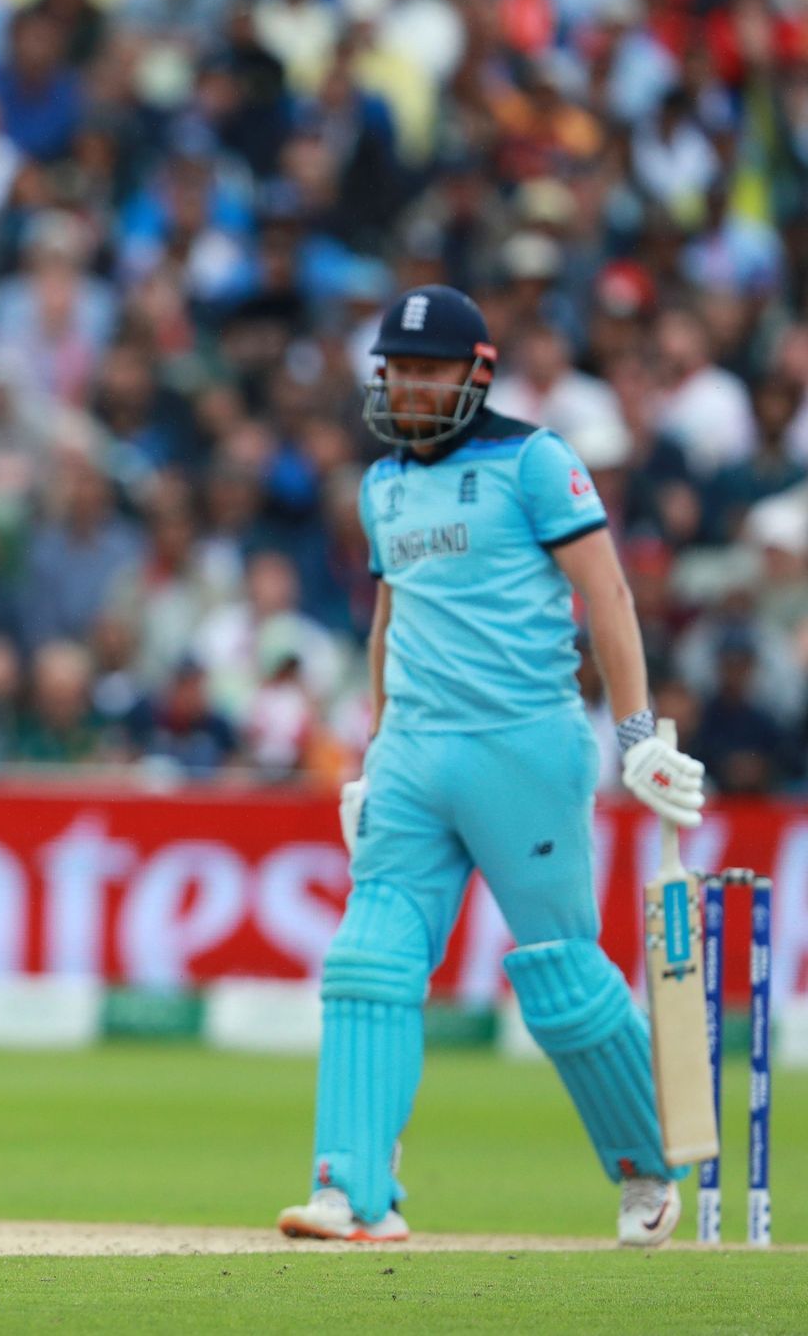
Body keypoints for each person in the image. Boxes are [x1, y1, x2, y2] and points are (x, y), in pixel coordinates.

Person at [276, 285, 708, 1248]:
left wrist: (635, 733)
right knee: (368, 958)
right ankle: (355, 1190)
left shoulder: (534, 460)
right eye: (398, 368)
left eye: (430, 369)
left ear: (475, 374)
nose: (410, 386)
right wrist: (373, 749)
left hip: (524, 742)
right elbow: (390, 621)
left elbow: (609, 596)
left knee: (560, 976)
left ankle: (647, 1166)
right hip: (415, 753)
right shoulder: (381, 484)